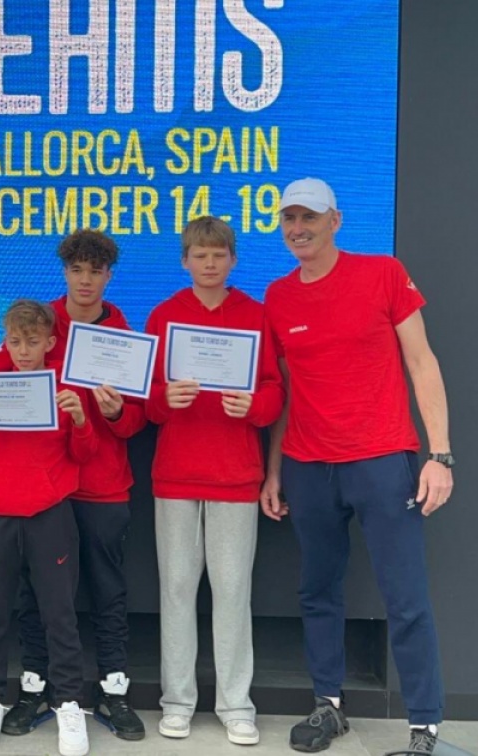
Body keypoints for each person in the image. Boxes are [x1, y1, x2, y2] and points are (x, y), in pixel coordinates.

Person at [260, 178, 454, 755]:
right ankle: (329, 705)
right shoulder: (278, 296)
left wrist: (440, 455)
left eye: (310, 217)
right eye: (289, 218)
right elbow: (287, 390)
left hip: (381, 460)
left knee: (405, 597)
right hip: (307, 465)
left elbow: (422, 362)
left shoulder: (383, 274)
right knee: (317, 590)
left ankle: (424, 727)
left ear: (335, 220)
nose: (299, 228)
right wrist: (274, 469)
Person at [0, 230, 146, 742]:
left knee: (107, 592)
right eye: (77, 270)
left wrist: (115, 413)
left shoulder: (122, 336)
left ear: (109, 276)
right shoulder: (40, 325)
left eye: (96, 271)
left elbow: (136, 420)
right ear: (65, 272)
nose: (85, 280)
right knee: (36, 596)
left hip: (102, 486)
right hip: (44, 488)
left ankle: (112, 691)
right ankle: (36, 688)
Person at [143, 217, 284, 746]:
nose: (209, 263)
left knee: (232, 592)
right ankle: (177, 702)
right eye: (200, 255)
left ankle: (236, 705)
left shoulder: (254, 314)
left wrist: (255, 406)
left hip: (236, 475)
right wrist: (164, 399)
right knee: (177, 591)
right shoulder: (164, 315)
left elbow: (274, 391)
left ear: (233, 260)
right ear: (185, 261)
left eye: (218, 255)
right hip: (176, 476)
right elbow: (146, 401)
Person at [0, 300, 95, 756]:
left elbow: (84, 454)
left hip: (50, 512)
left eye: (32, 341)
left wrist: (79, 419)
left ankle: (68, 703)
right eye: (15, 341)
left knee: (59, 613)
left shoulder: (65, 387)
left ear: (50, 342)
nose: (23, 350)